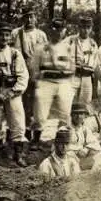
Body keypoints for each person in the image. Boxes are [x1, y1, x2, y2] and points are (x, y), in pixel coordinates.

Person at [0, 22, 29, 166]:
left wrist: (14, 91)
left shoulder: (15, 53)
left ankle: (18, 154)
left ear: (10, 37)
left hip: (12, 91)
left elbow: (23, 75)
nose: (4, 37)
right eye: (1, 34)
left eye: (7, 35)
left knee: (17, 121)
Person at [31, 18, 75, 150]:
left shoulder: (68, 48)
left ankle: (62, 140)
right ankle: (36, 139)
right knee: (40, 112)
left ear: (64, 31)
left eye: (61, 29)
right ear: (50, 30)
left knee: (65, 112)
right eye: (55, 29)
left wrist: (67, 80)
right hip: (46, 82)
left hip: (63, 82)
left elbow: (73, 68)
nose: (58, 32)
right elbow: (34, 69)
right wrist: (37, 82)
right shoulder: (41, 48)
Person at [11, 6, 48, 143]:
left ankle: (37, 137)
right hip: (20, 74)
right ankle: (24, 133)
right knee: (21, 104)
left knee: (38, 105)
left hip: (37, 74)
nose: (29, 19)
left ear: (36, 18)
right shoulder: (15, 33)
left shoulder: (41, 35)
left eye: (32, 16)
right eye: (26, 16)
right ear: (22, 18)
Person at [67, 16, 98, 111]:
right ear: (79, 28)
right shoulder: (70, 40)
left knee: (85, 104)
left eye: (88, 27)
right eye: (83, 27)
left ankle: (83, 124)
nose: (85, 30)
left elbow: (95, 64)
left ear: (91, 28)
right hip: (73, 76)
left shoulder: (93, 44)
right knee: (68, 102)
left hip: (87, 78)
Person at [67, 102, 101, 170]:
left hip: (81, 158)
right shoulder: (65, 129)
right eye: (76, 114)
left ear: (84, 115)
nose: (78, 116)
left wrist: (86, 149)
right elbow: (60, 147)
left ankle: (97, 177)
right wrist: (77, 150)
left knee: (99, 154)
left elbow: (95, 143)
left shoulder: (85, 129)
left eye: (81, 114)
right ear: (71, 115)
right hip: (70, 157)